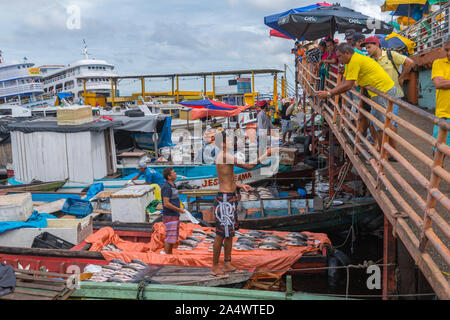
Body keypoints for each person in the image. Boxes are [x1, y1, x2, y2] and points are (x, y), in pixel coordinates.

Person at [211, 130, 272, 277]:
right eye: (230, 141)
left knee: (229, 234)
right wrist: (266, 154)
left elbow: (228, 177)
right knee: (220, 235)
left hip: (230, 197)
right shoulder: (225, 155)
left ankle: (227, 263)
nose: (233, 143)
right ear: (223, 144)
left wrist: (240, 185)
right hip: (225, 200)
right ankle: (214, 267)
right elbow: (249, 166)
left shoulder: (225, 156)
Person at [316, 43, 396, 152]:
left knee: (380, 124)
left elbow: (348, 85)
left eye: (339, 56)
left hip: (381, 90)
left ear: (347, 53)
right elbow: (344, 82)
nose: (338, 59)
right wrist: (329, 92)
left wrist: (329, 94)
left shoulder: (354, 61)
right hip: (380, 89)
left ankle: (383, 156)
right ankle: (389, 152)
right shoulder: (350, 61)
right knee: (381, 123)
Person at [364, 36, 415, 152]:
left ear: (377, 45)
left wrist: (401, 77)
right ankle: (379, 145)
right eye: (366, 48)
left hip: (393, 94)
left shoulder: (390, 55)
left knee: (391, 124)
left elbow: (410, 62)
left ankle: (391, 150)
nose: (367, 50)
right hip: (377, 95)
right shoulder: (370, 60)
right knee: (374, 123)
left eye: (369, 47)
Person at [431, 36, 450, 147]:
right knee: (438, 149)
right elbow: (439, 84)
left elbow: (443, 83)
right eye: (446, 50)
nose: (449, 53)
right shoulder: (438, 63)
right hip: (443, 115)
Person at [160, 167, 184, 254]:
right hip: (169, 215)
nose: (176, 174)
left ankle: (169, 254)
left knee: (173, 236)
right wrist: (178, 209)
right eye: (174, 172)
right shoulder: (166, 187)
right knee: (169, 236)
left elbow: (174, 199)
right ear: (169, 176)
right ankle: (166, 255)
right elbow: (166, 203)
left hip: (175, 214)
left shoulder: (173, 185)